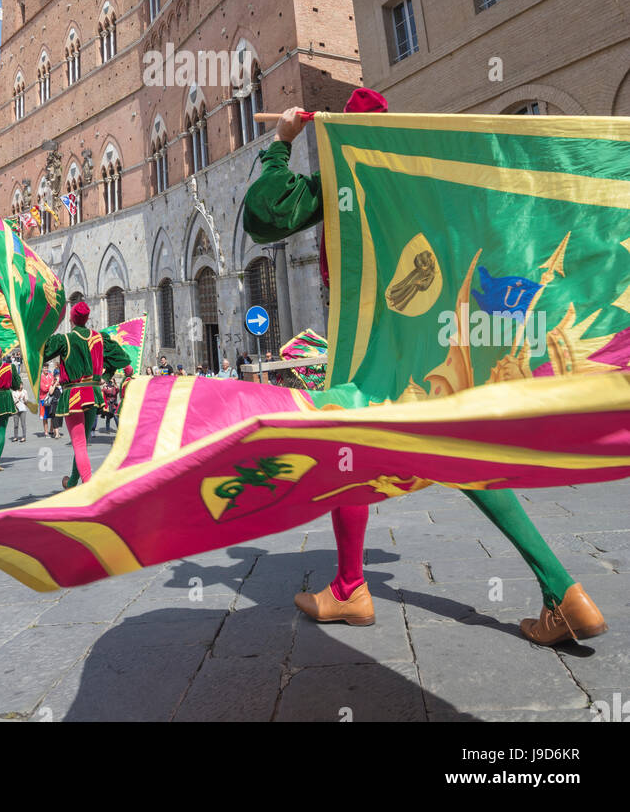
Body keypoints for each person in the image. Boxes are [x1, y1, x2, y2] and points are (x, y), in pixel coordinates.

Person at [243, 91, 607, 646]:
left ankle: (349, 588)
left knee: (347, 437)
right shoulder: (429, 177)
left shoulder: (349, 178)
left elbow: (266, 218)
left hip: (375, 346)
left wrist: (281, 146)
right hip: (440, 341)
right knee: (462, 452)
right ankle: (564, 590)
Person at [41, 302, 131, 488]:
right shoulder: (99, 338)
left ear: (72, 319)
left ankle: (89, 489)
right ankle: (73, 481)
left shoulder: (65, 339)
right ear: (87, 319)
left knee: (80, 445)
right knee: (81, 443)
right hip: (93, 394)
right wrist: (104, 376)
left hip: (73, 395)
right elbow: (122, 358)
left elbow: (40, 354)